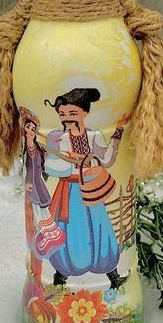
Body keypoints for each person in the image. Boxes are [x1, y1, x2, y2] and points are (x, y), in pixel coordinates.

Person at [44, 88, 130, 289]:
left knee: (100, 227)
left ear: (85, 113)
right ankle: (59, 278)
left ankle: (113, 277)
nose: (67, 118)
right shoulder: (57, 138)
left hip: (91, 190)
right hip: (69, 191)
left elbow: (107, 160)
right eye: (62, 114)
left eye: (72, 113)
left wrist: (117, 133)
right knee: (68, 230)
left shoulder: (94, 136)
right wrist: (67, 163)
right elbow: (49, 165)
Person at [20, 108, 65, 280]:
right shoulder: (29, 145)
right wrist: (26, 183)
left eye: (33, 128)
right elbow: (28, 161)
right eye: (28, 127)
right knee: (37, 213)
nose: (30, 131)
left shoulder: (37, 146)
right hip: (33, 184)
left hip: (38, 182)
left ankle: (49, 237)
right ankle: (44, 237)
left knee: (43, 211)